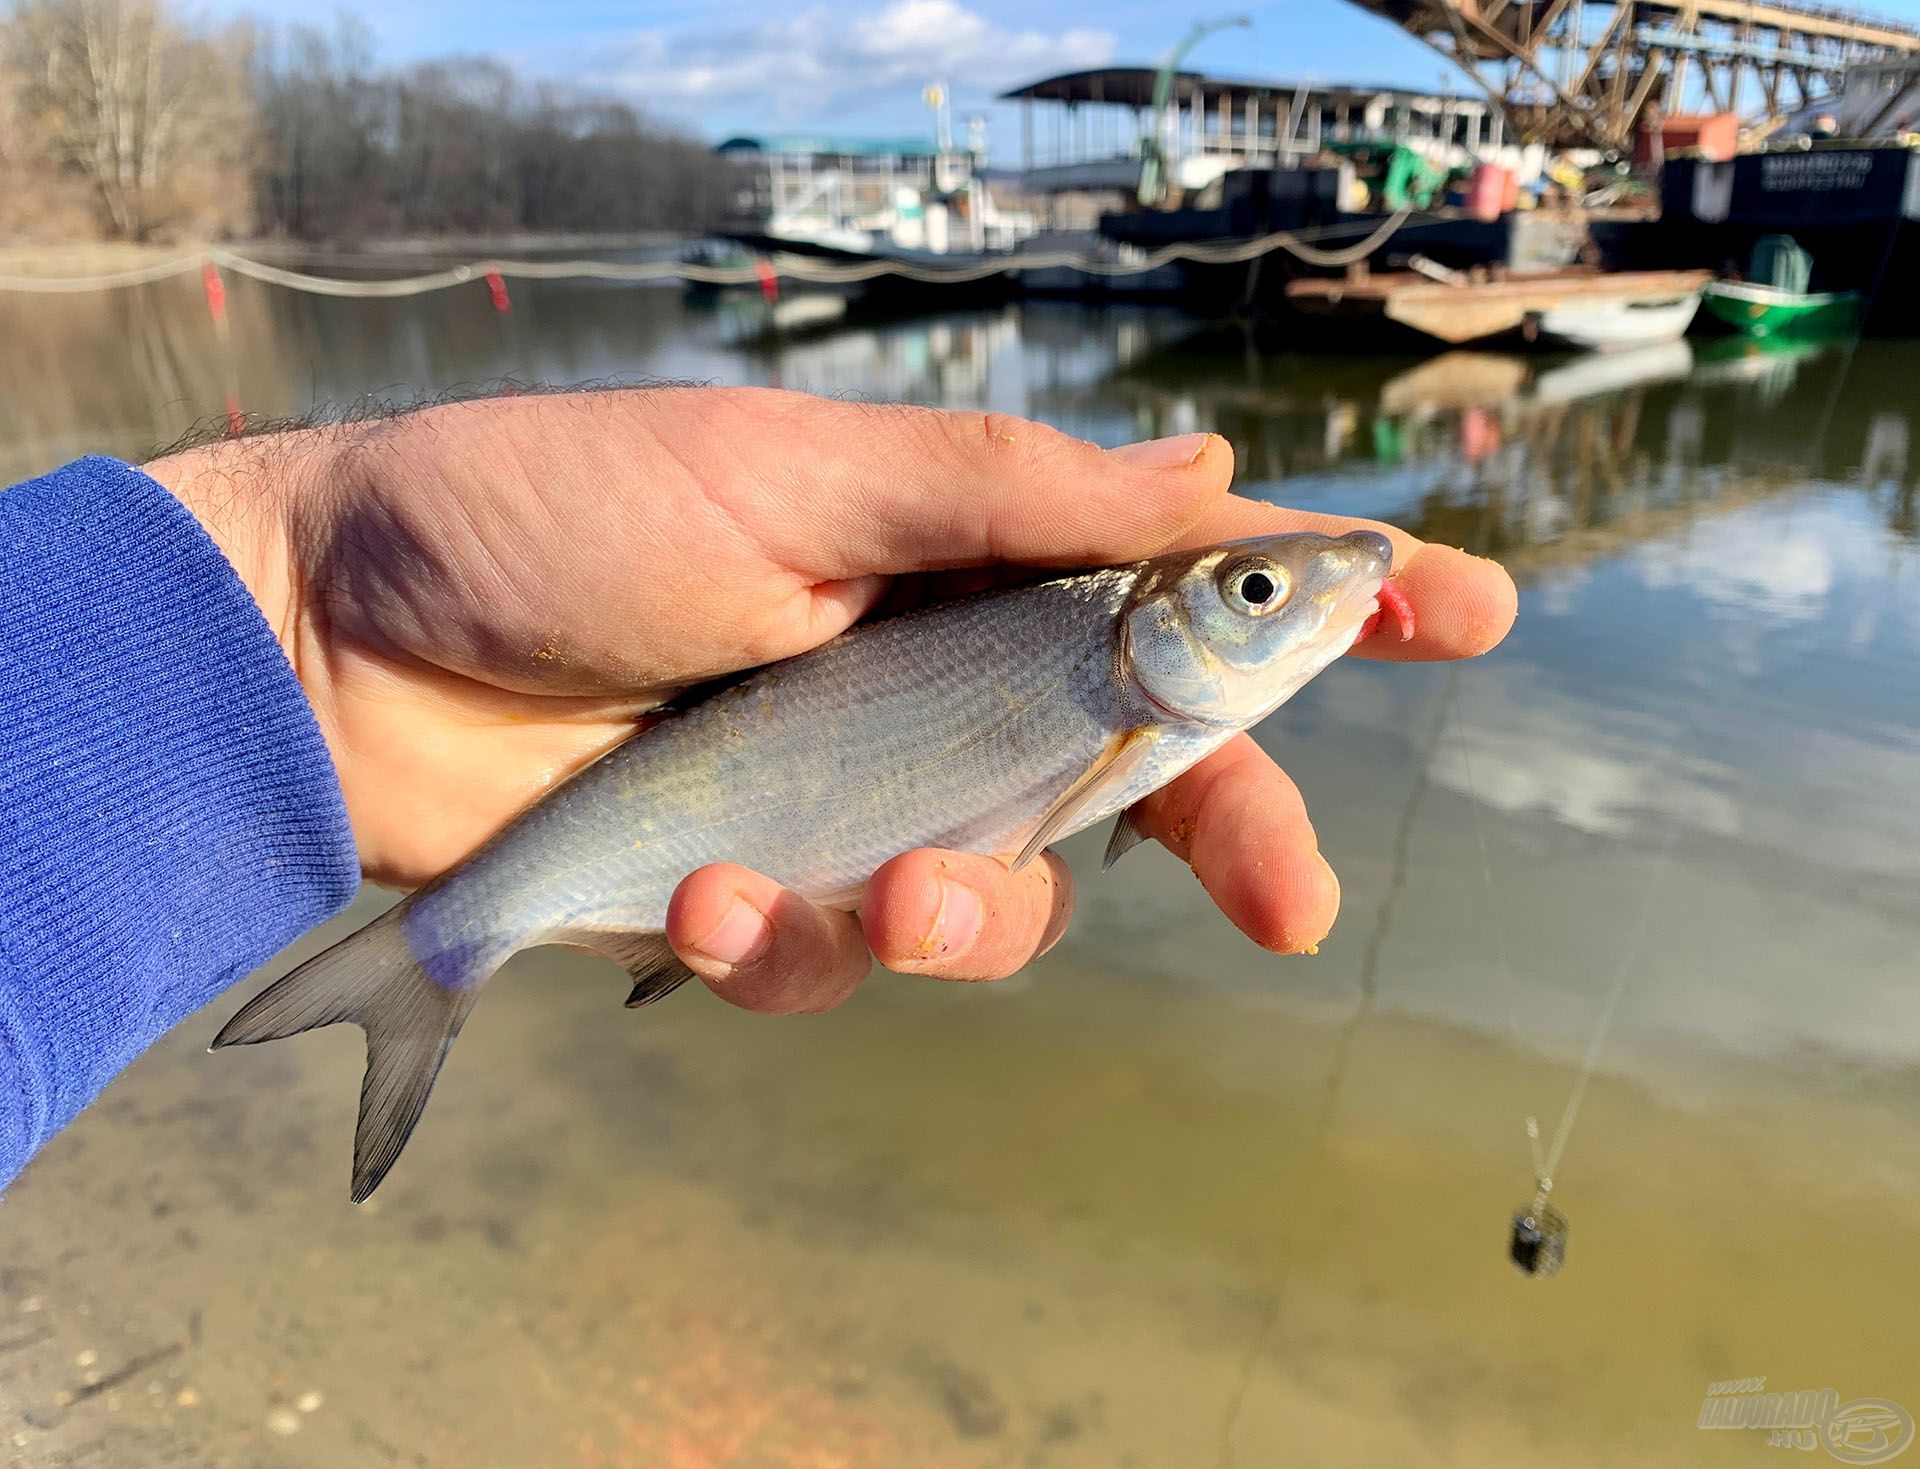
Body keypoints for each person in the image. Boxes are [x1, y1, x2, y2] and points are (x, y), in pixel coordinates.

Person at [0, 387, 1517, 1189]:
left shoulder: (1140, 702)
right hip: (666, 786)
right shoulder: (1118, 669)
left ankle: (440, 950)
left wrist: (296, 597)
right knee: (915, 903)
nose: (1299, 596)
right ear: (1170, 614)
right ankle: (438, 956)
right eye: (1257, 588)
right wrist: (301, 597)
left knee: (915, 903)